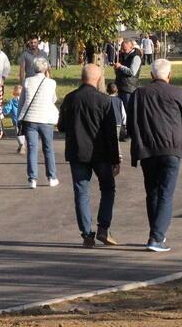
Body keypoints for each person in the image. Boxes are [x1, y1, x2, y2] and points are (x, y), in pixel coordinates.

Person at [128, 59, 182, 253]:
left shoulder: (139, 94)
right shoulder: (178, 93)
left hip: (147, 149)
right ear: (170, 75)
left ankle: (156, 233)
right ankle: (156, 237)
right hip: (171, 148)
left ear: (151, 75)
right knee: (166, 194)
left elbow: (131, 120)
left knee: (152, 193)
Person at [58, 64, 121, 247]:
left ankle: (86, 234)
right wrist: (115, 159)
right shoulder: (104, 101)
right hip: (101, 154)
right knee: (108, 188)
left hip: (77, 153)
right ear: (99, 78)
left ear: (81, 77)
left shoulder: (70, 98)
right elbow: (111, 133)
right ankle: (103, 227)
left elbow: (61, 126)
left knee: (81, 192)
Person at [18, 56, 59, 189]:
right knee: (48, 148)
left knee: (32, 149)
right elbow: (53, 99)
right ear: (45, 68)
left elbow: (22, 101)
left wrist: (19, 117)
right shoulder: (51, 83)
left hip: (30, 119)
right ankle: (51, 177)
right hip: (46, 119)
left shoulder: (27, 81)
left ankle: (32, 179)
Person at [112, 38, 142, 111]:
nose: (123, 51)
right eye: (122, 49)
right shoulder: (123, 56)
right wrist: (116, 69)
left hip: (129, 89)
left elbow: (132, 72)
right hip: (121, 87)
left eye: (125, 49)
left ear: (131, 47)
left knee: (128, 111)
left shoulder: (136, 57)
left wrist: (120, 67)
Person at [1, 84, 25, 153]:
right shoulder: (24, 101)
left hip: (17, 121)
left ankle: (21, 144)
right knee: (23, 133)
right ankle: (22, 144)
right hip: (25, 120)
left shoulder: (11, 102)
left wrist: (2, 111)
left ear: (13, 93)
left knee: (18, 133)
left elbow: (6, 110)